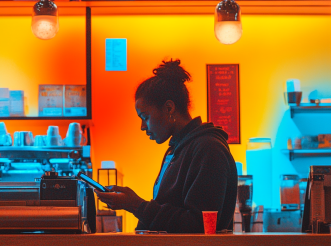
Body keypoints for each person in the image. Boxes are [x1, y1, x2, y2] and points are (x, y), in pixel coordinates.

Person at [95, 59, 238, 233]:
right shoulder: (177, 150)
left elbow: (198, 226)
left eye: (145, 117)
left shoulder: (208, 149)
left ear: (169, 108)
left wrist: (136, 205)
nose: (142, 126)